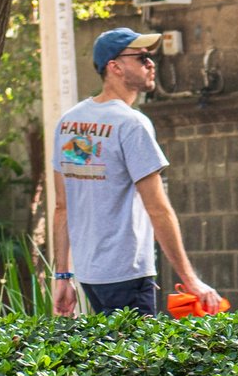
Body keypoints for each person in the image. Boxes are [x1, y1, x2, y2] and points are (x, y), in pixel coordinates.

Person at [50, 28, 223, 317]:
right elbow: (158, 209)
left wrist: (63, 276)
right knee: (137, 361)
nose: (151, 63)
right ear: (114, 67)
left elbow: (61, 207)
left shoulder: (69, 123)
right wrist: (191, 280)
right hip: (128, 272)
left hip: (90, 276)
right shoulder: (132, 124)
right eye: (141, 57)